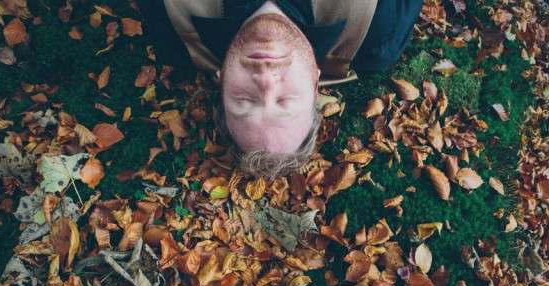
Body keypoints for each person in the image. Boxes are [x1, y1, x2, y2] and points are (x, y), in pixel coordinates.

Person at [138, 1, 424, 177]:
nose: (265, 81)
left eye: (245, 99)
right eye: (286, 99)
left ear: (221, 77)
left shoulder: (169, 21)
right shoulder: (379, 29)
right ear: (315, 82)